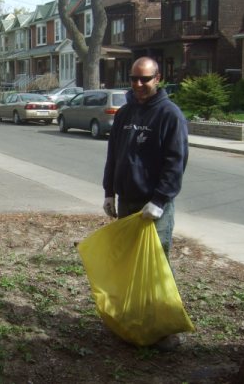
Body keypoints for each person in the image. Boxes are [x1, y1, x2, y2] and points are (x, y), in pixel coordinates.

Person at [102, 56, 189, 350]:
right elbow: (114, 155)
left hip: (154, 207)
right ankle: (133, 321)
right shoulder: (125, 113)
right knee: (129, 263)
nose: (138, 85)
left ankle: (163, 330)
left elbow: (175, 164)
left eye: (145, 79)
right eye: (134, 79)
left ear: (158, 78)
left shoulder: (169, 115)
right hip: (127, 202)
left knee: (156, 266)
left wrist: (159, 200)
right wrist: (109, 191)